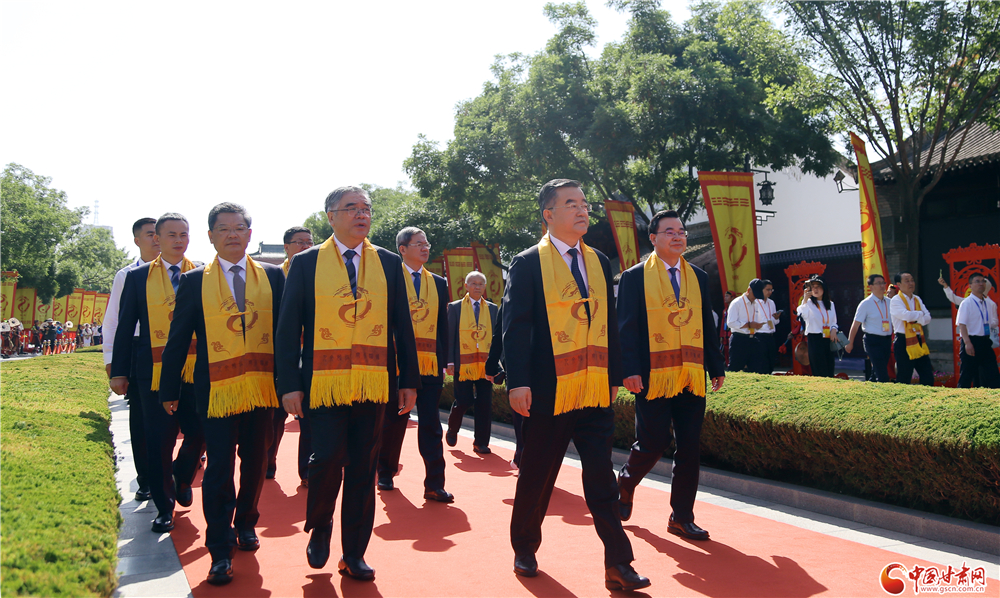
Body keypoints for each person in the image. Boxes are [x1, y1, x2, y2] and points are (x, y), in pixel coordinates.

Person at [503, 179, 648, 592]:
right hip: (548, 389)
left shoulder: (598, 260)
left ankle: (618, 563)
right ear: (548, 214)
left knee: (601, 476)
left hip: (593, 386)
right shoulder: (527, 263)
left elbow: (610, 321)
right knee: (538, 473)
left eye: (584, 203)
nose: (583, 210)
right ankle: (525, 546)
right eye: (571, 204)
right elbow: (516, 326)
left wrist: (613, 374)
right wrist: (518, 382)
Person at [276, 186, 419, 582]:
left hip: (373, 382)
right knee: (325, 459)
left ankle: (354, 552)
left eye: (366, 208)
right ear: (331, 216)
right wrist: (289, 384)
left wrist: (408, 379)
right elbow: (288, 328)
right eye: (352, 208)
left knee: (362, 466)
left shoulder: (388, 262)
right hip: (324, 382)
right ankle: (321, 522)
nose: (362, 214)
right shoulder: (306, 263)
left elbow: (402, 324)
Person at [159, 203, 284, 585]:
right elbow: (178, 338)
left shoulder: (273, 277)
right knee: (218, 467)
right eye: (224, 229)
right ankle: (219, 547)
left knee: (256, 461)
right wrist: (169, 388)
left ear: (250, 234)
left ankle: (246, 522)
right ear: (211, 236)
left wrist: (292, 385)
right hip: (215, 388)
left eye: (239, 228)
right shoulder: (195, 281)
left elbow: (286, 332)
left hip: (263, 387)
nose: (233, 234)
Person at [615, 210, 726, 544]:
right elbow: (626, 327)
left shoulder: (698, 276)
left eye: (682, 231)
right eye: (670, 232)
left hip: (691, 372)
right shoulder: (634, 277)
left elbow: (706, 324)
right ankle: (626, 481)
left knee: (690, 446)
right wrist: (629, 370)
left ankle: (681, 517)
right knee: (653, 443)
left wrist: (716, 365)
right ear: (653, 238)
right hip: (653, 374)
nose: (678, 236)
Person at [109, 213, 206, 535]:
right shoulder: (138, 278)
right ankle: (165, 508)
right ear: (157, 239)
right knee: (159, 440)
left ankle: (182, 474)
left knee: (200, 432)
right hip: (152, 371)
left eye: (184, 234)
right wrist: (118, 372)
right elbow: (125, 327)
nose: (178, 240)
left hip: (195, 370)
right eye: (171, 235)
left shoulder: (203, 274)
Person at [376, 226, 452, 501]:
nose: (425, 247)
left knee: (431, 424)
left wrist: (445, 360)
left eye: (426, 243)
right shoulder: (388, 278)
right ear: (403, 249)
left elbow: (443, 325)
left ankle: (434, 483)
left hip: (429, 364)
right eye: (419, 243)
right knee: (394, 421)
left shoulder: (438, 283)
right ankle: (385, 472)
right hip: (397, 364)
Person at [105, 217, 160, 503]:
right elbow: (114, 321)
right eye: (150, 234)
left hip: (180, 351)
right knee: (142, 420)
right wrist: (113, 363)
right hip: (140, 351)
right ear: (137, 240)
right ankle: (147, 479)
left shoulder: (186, 272)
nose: (156, 239)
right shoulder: (127, 275)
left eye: (159, 233)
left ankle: (177, 470)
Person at [266, 226, 316, 483]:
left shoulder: (320, 272)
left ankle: (307, 470)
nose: (306, 246)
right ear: (286, 247)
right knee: (275, 416)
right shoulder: (273, 275)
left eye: (309, 242)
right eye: (299, 242)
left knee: (309, 417)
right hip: (280, 356)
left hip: (311, 354)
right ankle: (268, 460)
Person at [445, 271, 499, 454]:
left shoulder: (492, 308)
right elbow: (450, 335)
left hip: (485, 364)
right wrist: (449, 361)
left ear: (485, 287)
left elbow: (496, 337)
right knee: (464, 400)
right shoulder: (455, 307)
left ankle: (481, 442)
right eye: (474, 284)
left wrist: (497, 363)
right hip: (463, 363)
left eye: (481, 284)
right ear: (466, 286)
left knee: (484, 403)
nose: (477, 287)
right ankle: (453, 428)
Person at [845, 274, 893, 382]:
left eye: (883, 283)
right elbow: (855, 324)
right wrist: (850, 342)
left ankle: (870, 386)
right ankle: (884, 390)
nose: (882, 286)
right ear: (870, 286)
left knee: (877, 370)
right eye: (878, 283)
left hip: (886, 340)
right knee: (882, 373)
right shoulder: (866, 304)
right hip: (872, 341)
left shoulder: (890, 302)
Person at [889, 272, 933, 386]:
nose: (911, 283)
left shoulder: (917, 299)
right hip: (903, 340)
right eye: (907, 281)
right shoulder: (896, 300)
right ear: (899, 284)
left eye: (912, 280)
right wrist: (920, 314)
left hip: (918, 339)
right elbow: (906, 316)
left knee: (927, 375)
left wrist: (915, 317)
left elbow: (928, 318)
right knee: (904, 376)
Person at [956, 273, 999, 388]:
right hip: (971, 340)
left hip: (985, 341)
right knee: (967, 375)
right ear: (970, 285)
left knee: (993, 374)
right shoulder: (966, 303)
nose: (981, 284)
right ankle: (960, 397)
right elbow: (962, 324)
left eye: (983, 281)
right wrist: (967, 343)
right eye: (977, 281)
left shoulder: (988, 303)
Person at [796, 277, 838, 378]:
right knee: (819, 368)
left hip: (828, 337)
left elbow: (834, 321)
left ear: (824, 288)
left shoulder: (830, 304)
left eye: (818, 286)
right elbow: (802, 315)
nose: (815, 289)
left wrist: (834, 330)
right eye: (813, 287)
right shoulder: (808, 303)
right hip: (815, 338)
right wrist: (804, 300)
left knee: (829, 367)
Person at [726, 280, 767, 373]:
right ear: (749, 290)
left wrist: (758, 325)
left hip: (753, 339)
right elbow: (731, 323)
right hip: (739, 339)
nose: (755, 298)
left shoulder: (756, 304)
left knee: (756, 369)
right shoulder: (737, 303)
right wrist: (748, 325)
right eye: (754, 295)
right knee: (735, 369)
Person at [756, 280, 781, 374]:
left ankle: (769, 374)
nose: (770, 292)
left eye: (771, 290)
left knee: (771, 358)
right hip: (759, 335)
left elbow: (774, 321)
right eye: (768, 289)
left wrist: (776, 318)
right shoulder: (755, 303)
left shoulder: (771, 302)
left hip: (770, 335)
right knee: (762, 360)